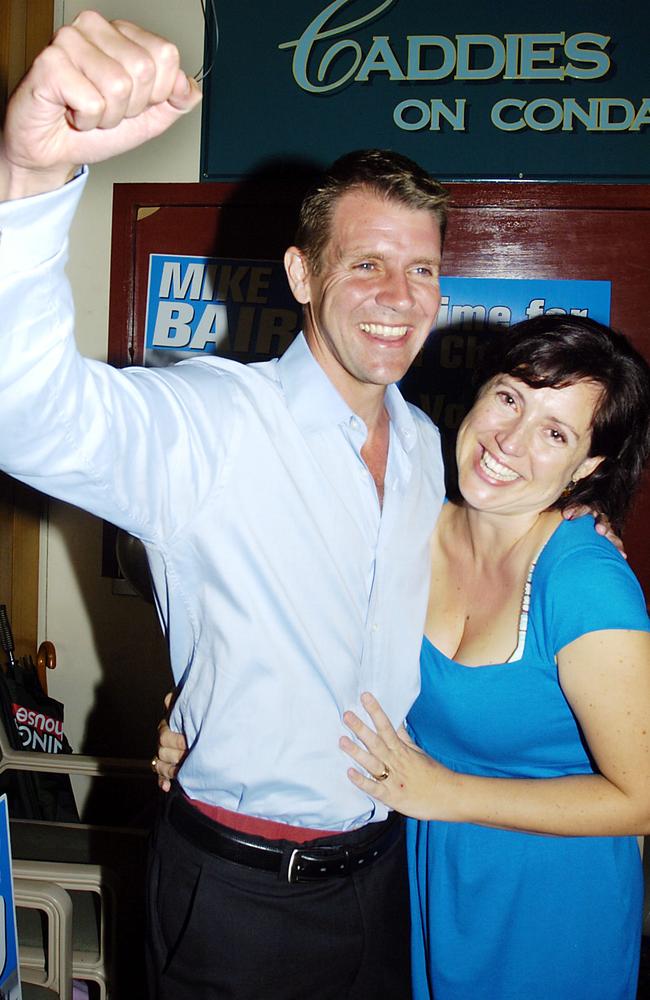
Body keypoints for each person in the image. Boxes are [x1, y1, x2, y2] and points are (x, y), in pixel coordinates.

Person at [0, 13, 449, 999]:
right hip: (237, 902)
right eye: (365, 263)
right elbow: (25, 414)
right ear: (300, 272)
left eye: (420, 269)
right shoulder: (210, 421)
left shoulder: (422, 446)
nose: (397, 295)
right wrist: (29, 183)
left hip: (383, 877)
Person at [337, 315, 650, 1000]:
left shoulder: (584, 581)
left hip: (554, 907)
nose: (510, 441)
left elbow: (642, 798)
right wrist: (195, 722)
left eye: (556, 432)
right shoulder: (405, 529)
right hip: (431, 880)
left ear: (589, 464)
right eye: (510, 397)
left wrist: (445, 793)